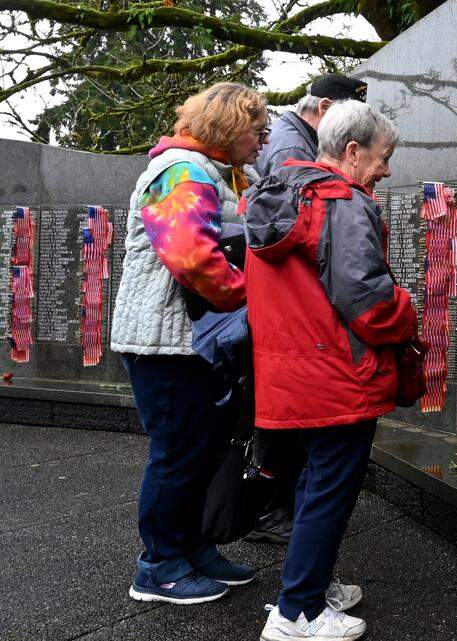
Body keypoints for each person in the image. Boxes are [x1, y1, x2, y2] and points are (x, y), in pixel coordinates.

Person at [243, 101, 416, 641]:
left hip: (293, 373)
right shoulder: (341, 202)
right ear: (352, 151)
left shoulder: (281, 194)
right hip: (337, 374)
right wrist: (407, 310)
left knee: (312, 485)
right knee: (329, 490)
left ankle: (309, 588)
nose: (385, 171)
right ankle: (297, 614)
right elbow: (366, 299)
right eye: (383, 158)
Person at [111, 82, 267, 604]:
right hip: (166, 343)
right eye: (254, 126)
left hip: (192, 341)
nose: (263, 136)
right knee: (177, 454)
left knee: (199, 452)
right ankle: (157, 567)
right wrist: (258, 304)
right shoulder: (182, 170)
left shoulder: (211, 172)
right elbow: (193, 259)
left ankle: (193, 549)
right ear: (226, 126)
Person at [246, 73, 368, 548]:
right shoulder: (290, 154)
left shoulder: (294, 142)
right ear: (320, 110)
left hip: (290, 330)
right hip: (298, 331)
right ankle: (278, 519)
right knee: (296, 439)